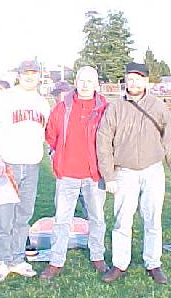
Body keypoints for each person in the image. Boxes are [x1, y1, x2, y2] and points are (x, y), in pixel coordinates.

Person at [96, 62, 171, 284]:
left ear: (146, 81)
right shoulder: (115, 108)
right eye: (130, 78)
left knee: (153, 219)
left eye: (138, 78)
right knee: (122, 221)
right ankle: (119, 264)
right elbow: (103, 141)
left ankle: (153, 263)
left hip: (153, 170)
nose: (134, 82)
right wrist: (108, 175)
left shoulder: (158, 106)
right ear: (125, 80)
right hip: (124, 172)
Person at [0, 60, 50, 283]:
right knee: (3, 216)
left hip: (31, 165)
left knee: (23, 216)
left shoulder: (41, 102)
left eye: (34, 73)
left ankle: (18, 259)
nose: (30, 77)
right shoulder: (4, 98)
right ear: (18, 75)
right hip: (6, 165)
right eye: (25, 73)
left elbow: (45, 134)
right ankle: (2, 261)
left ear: (40, 76)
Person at [40, 66, 108, 279]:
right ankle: (56, 260)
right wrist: (58, 157)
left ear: (96, 84)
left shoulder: (105, 108)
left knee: (97, 217)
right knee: (62, 219)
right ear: (75, 82)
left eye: (90, 81)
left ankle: (97, 256)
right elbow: (51, 135)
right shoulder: (62, 107)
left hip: (94, 174)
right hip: (67, 174)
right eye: (81, 80)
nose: (85, 85)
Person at [50, 81, 88, 219]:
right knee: (62, 204)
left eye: (62, 94)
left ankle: (86, 228)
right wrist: (53, 153)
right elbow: (52, 136)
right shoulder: (56, 111)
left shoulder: (79, 109)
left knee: (87, 201)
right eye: (56, 95)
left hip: (84, 164)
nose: (59, 98)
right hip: (64, 165)